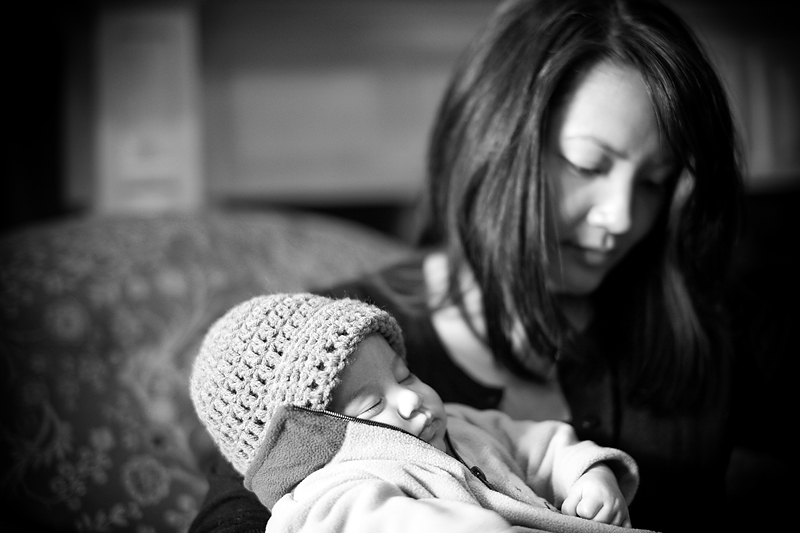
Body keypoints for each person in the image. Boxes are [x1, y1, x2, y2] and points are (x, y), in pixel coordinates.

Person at [189, 0, 788, 531]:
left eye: (655, 181)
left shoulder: (712, 318)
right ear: (492, 144)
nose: (621, 216)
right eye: (588, 165)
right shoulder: (321, 352)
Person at [190, 293, 648, 532]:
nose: (411, 400)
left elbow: (539, 445)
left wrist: (588, 475)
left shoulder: (463, 425)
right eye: (372, 403)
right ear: (309, 440)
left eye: (405, 376)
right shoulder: (336, 493)